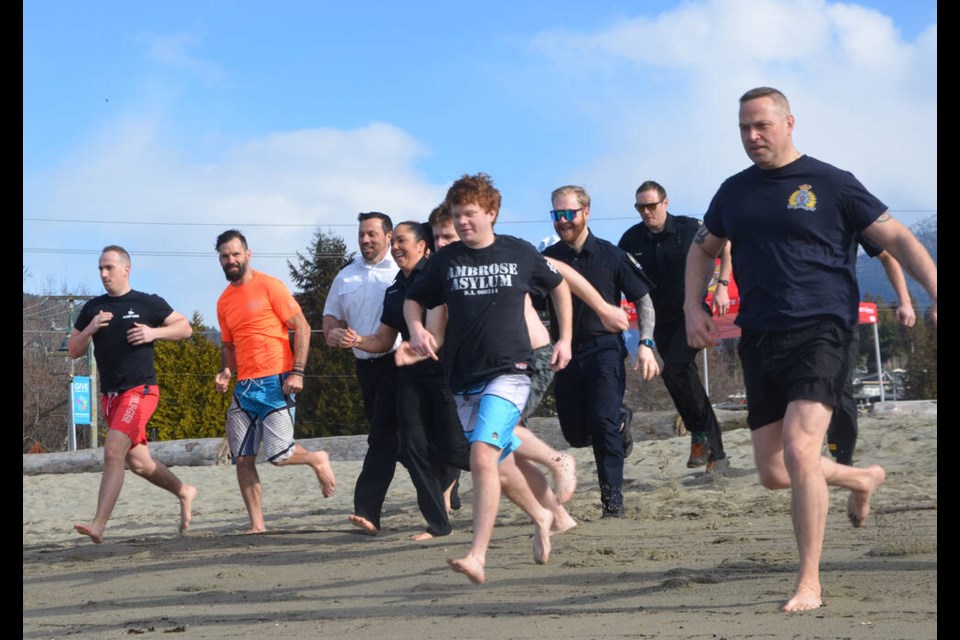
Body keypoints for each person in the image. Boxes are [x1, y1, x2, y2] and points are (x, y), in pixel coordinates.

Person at [684, 87, 937, 612]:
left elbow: (900, 240)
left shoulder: (832, 182)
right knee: (775, 473)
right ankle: (860, 478)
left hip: (822, 330)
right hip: (759, 336)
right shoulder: (734, 192)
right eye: (743, 129)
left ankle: (809, 581)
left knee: (802, 453)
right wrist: (692, 308)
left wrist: (933, 291)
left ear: (789, 122)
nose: (753, 137)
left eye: (762, 126)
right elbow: (701, 248)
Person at [405, 173, 574, 584]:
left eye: (470, 214)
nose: (463, 222)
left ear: (492, 213)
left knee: (481, 456)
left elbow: (560, 286)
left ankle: (477, 556)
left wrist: (565, 338)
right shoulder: (445, 261)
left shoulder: (518, 253)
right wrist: (415, 329)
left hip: (510, 371)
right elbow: (415, 299)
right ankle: (542, 514)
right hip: (463, 377)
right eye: (457, 215)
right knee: (498, 465)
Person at [339, 220, 466, 540]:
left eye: (402, 241)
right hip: (409, 375)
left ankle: (517, 470)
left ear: (423, 246)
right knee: (412, 445)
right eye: (393, 242)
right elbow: (384, 339)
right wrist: (356, 340)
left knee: (455, 449)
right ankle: (439, 524)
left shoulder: (438, 278)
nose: (395, 247)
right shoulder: (395, 287)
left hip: (444, 374)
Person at [541, 185, 658, 519]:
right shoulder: (549, 261)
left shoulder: (611, 255)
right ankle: (623, 419)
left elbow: (643, 299)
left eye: (569, 213)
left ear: (586, 212)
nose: (562, 221)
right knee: (575, 433)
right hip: (565, 354)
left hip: (604, 350)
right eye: (557, 214)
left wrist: (646, 342)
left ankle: (613, 504)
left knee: (602, 424)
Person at [69, 245, 198, 543]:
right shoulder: (92, 307)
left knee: (113, 450)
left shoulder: (147, 303)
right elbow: (73, 350)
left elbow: (185, 328)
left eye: (109, 268)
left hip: (140, 390)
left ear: (126, 269)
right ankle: (184, 491)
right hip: (110, 397)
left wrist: (154, 333)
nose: (103, 274)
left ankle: (99, 524)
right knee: (139, 463)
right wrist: (90, 327)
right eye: (100, 268)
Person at [214, 229, 336, 534]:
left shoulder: (270, 286)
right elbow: (229, 346)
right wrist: (227, 372)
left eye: (235, 254)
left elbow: (303, 327)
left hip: (277, 381)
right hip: (244, 387)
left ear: (248, 255)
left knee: (279, 455)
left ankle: (317, 458)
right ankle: (257, 525)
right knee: (242, 458)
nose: (231, 260)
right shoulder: (223, 301)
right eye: (225, 256)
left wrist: (298, 372)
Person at [618, 181, 730, 474]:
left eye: (651, 205)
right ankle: (711, 447)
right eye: (640, 207)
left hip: (691, 311)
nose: (646, 212)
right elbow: (618, 273)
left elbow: (726, 244)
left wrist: (723, 285)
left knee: (676, 368)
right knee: (674, 377)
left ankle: (703, 438)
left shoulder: (689, 227)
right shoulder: (631, 240)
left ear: (665, 203)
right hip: (656, 320)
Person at [322, 212, 403, 536]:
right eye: (361, 235)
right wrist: (332, 334)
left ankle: (367, 510)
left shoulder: (400, 271)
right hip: (364, 368)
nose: (366, 240)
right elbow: (330, 317)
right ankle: (446, 481)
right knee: (400, 440)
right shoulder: (346, 276)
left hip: (400, 363)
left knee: (382, 438)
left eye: (372, 234)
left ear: (389, 236)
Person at [827, 238, 915, 465]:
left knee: (839, 386)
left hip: (840, 321)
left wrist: (904, 301)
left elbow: (888, 255)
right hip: (790, 319)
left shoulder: (846, 211)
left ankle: (843, 456)